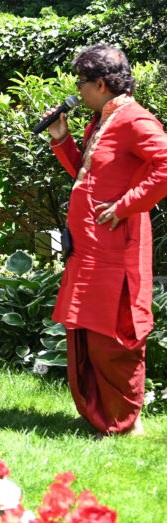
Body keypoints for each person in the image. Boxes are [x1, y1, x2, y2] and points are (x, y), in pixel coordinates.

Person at [45, 45, 167, 436]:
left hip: (117, 250)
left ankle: (124, 423)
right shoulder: (102, 120)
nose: (78, 90)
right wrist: (63, 141)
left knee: (114, 338)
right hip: (91, 251)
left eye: (81, 82)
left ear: (100, 83)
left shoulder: (134, 120)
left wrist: (125, 206)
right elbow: (87, 177)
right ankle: (102, 415)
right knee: (88, 334)